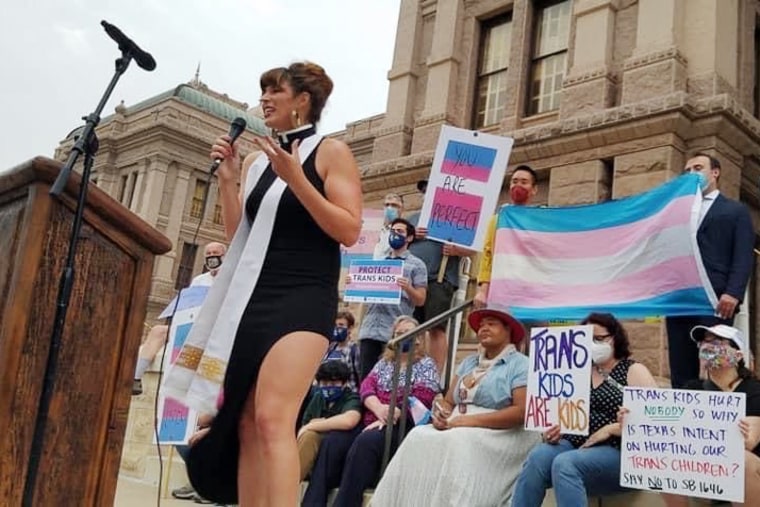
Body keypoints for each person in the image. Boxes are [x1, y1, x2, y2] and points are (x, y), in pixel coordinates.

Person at [162, 62, 363, 507]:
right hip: (251, 299)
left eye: (275, 91)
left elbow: (348, 229)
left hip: (305, 295)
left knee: (274, 418)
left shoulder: (331, 152)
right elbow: (239, 240)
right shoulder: (256, 160)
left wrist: (298, 180)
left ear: (303, 101)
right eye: (262, 91)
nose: (265, 99)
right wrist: (229, 182)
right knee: (248, 422)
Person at [371, 305, 539, 507]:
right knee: (417, 436)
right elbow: (449, 401)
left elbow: (521, 412)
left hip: (501, 430)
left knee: (458, 441)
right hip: (459, 422)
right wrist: (441, 415)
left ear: (508, 330)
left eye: (491, 324)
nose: (484, 328)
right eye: (482, 326)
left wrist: (468, 422)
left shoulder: (521, 364)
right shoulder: (469, 362)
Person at [511, 313, 658, 507]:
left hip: (620, 451)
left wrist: (612, 428)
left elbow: (656, 420)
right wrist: (553, 430)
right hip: (575, 444)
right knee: (538, 457)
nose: (593, 344)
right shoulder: (573, 371)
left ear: (615, 337)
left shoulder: (633, 370)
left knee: (566, 463)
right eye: (587, 339)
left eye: (599, 339)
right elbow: (562, 412)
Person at [331, 316, 440, 507]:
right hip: (374, 416)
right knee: (333, 441)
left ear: (417, 338)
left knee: (366, 441)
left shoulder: (426, 364)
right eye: (397, 334)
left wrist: (391, 412)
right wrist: (378, 408)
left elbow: (423, 397)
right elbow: (367, 386)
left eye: (406, 333)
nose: (400, 338)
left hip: (401, 423)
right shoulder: (384, 363)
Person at [665, 153, 754, 389]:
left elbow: (744, 255)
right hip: (679, 299)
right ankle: (683, 412)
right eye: (687, 170)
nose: (691, 174)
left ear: (715, 173)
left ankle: (720, 408)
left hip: (715, 298)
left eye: (698, 168)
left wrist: (733, 292)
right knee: (680, 360)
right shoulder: (676, 212)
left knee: (716, 359)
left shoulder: (735, 211)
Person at [656, 324, 760, 507]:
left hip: (748, 469)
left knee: (742, 460)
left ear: (738, 354)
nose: (708, 346)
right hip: (705, 469)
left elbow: (751, 440)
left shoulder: (755, 391)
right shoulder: (691, 390)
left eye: (718, 341)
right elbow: (669, 428)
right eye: (704, 341)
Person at [133, 242, 227, 396]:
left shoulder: (231, 278)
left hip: (215, 331)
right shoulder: (199, 280)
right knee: (158, 331)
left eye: (215, 253)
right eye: (208, 254)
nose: (212, 257)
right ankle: (135, 378)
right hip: (192, 327)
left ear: (224, 256)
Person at [407, 178, 475, 372]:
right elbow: (395, 242)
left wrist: (455, 250)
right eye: (425, 191)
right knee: (411, 328)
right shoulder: (412, 219)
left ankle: (434, 376)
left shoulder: (454, 218)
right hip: (412, 283)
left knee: (436, 328)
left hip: (439, 279)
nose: (428, 194)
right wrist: (413, 235)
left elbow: (471, 248)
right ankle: (412, 370)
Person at [354, 217, 427, 380]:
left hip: (395, 332)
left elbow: (421, 300)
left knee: (389, 381)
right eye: (393, 231)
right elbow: (363, 293)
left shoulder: (417, 265)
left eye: (400, 231)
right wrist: (354, 282)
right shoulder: (376, 263)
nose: (395, 234)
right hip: (370, 330)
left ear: (409, 237)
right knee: (365, 381)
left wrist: (408, 287)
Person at [474, 165, 539, 308]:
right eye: (514, 181)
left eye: (524, 182)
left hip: (533, 291)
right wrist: (483, 291)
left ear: (534, 189)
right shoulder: (497, 220)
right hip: (503, 290)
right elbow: (488, 255)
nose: (518, 185)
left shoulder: (541, 218)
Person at [297, 361, 362, 482]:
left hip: (337, 455)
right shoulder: (318, 398)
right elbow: (305, 425)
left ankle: (290, 483)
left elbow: (349, 420)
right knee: (308, 436)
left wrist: (315, 424)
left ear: (344, 383)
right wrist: (320, 425)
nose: (328, 387)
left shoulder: (351, 397)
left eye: (333, 383)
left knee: (310, 435)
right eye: (324, 383)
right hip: (315, 454)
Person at [322, 310, 361, 391]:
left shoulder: (354, 350)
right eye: (335, 325)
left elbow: (360, 376)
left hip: (347, 395)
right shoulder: (329, 349)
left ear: (350, 328)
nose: (337, 328)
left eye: (341, 325)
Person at [373, 193, 405, 260]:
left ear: (401, 209)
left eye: (394, 205)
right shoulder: (374, 230)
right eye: (387, 205)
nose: (389, 208)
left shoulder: (405, 231)